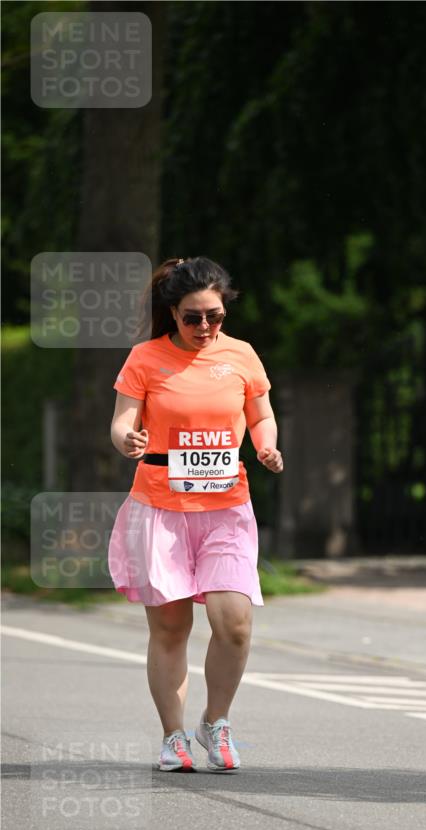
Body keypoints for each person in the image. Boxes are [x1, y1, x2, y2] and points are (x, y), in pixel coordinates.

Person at [108, 256, 283, 773]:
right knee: (170, 629)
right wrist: (128, 441)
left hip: (226, 507)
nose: (205, 327)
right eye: (192, 317)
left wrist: (266, 446)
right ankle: (173, 736)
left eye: (215, 316)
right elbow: (121, 423)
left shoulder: (242, 356)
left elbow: (262, 414)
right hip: (159, 508)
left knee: (235, 623)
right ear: (173, 312)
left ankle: (216, 720)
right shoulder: (145, 358)